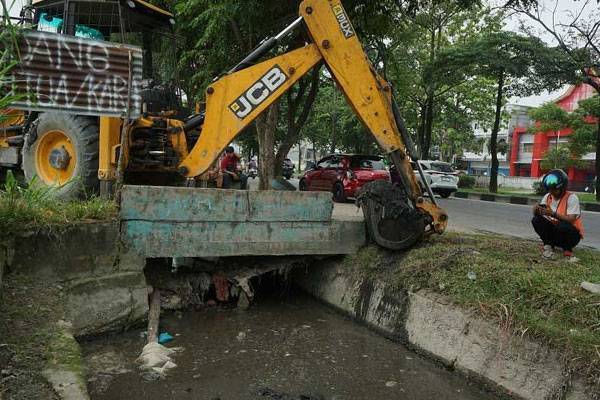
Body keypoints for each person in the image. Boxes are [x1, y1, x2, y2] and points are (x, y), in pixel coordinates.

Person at [532, 169, 585, 262]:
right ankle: (548, 245)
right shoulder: (548, 196)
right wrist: (536, 210)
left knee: (562, 225)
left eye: (555, 190)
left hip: (571, 236)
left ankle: (567, 249)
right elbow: (539, 216)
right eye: (550, 190)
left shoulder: (571, 197)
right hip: (555, 234)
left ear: (562, 188)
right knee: (536, 220)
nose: (552, 192)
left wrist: (553, 214)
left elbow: (571, 219)